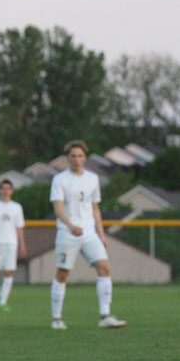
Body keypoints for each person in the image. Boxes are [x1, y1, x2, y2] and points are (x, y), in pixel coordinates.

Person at [49, 140, 126, 331]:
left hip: (90, 233)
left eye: (80, 155)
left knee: (105, 269)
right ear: (67, 158)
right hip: (68, 233)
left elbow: (95, 208)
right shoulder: (59, 180)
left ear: (85, 158)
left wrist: (101, 234)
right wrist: (71, 226)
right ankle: (56, 318)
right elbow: (58, 208)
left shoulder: (92, 178)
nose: (76, 159)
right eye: (73, 156)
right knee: (63, 273)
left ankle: (105, 316)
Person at [0, 179, 26, 311]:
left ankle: (3, 302)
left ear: (12, 191)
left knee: (8, 273)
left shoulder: (17, 207)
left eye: (8, 188)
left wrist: (22, 244)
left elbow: (19, 227)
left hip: (11, 244)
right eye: (3, 188)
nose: (6, 191)